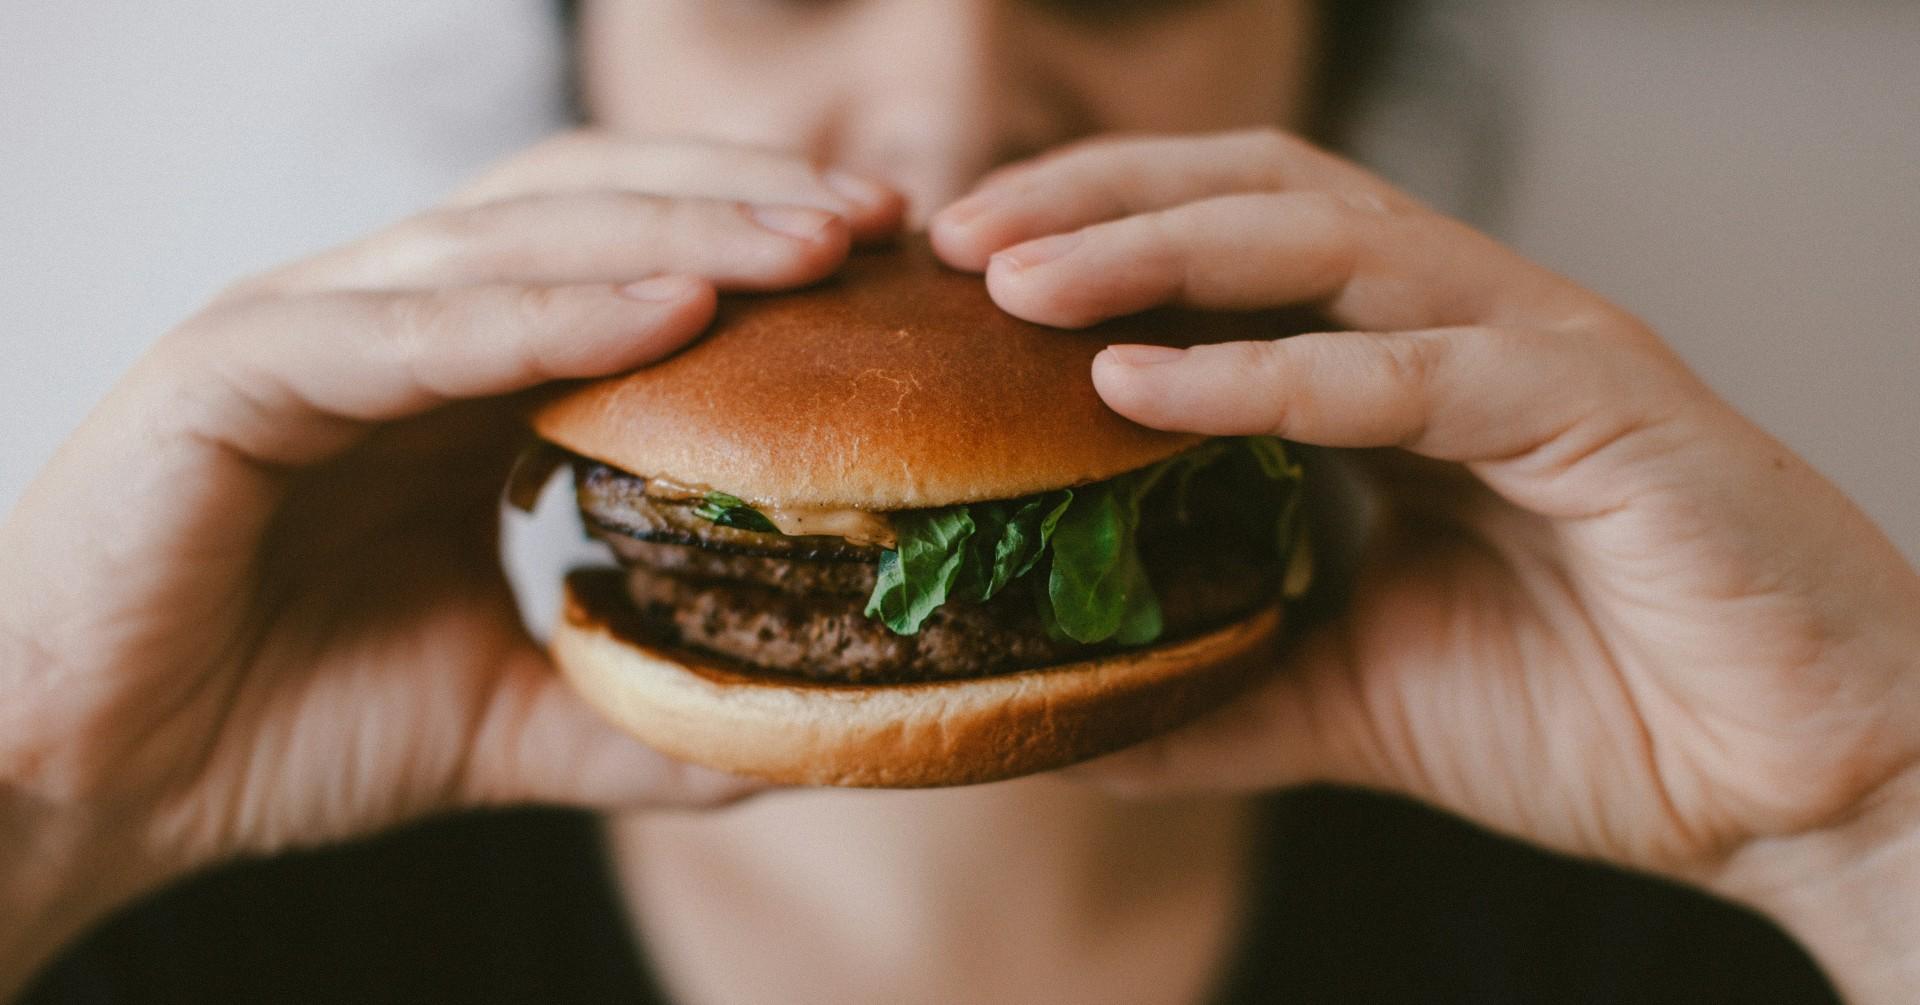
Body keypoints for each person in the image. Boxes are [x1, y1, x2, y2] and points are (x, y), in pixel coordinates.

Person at [4, 1, 1915, 1001]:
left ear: (1318, 63)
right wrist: (46, 797)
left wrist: (1871, 820)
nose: (945, 108)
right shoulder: (194, 920)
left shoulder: (1675, 914)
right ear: (583, 53)